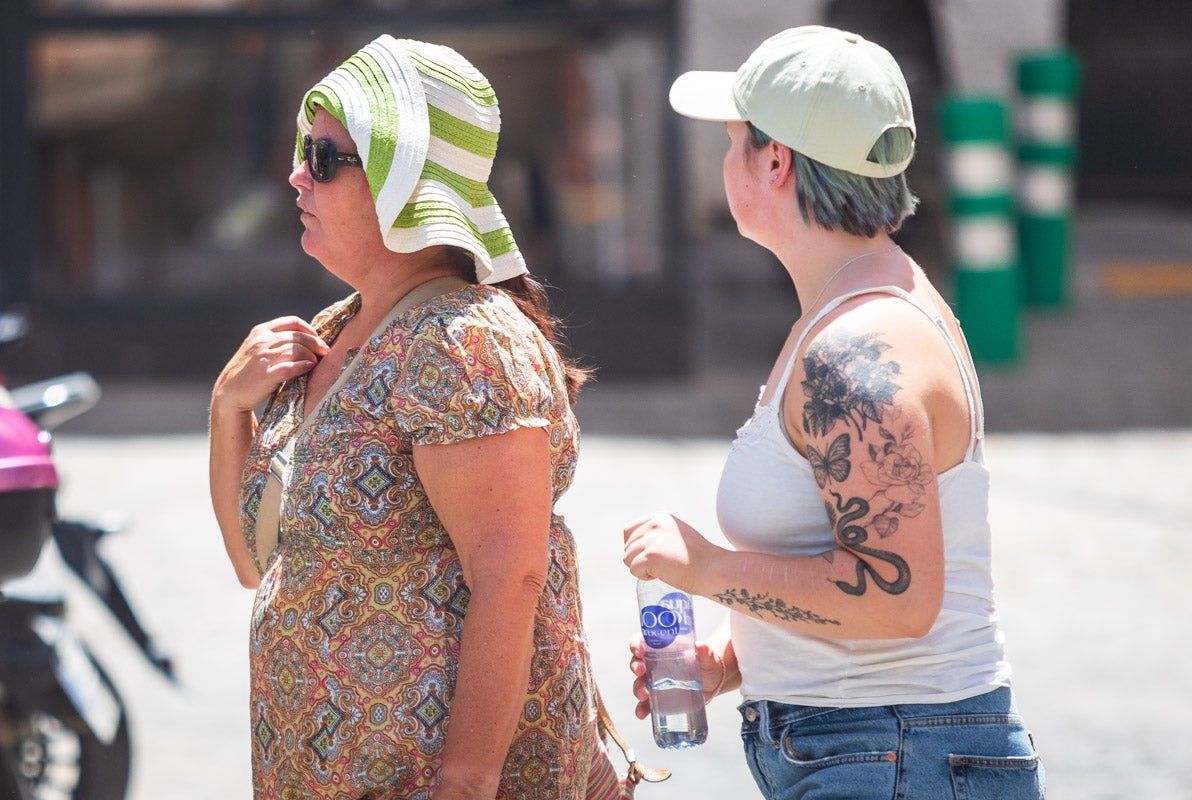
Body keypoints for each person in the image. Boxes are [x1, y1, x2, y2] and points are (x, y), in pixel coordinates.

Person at [622, 26, 1045, 799]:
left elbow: (898, 594)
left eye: (734, 141)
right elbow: (839, 550)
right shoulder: (859, 310)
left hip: (893, 750)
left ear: (775, 160)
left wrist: (709, 569)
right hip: (883, 747)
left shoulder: (856, 349)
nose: (726, 162)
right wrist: (733, 656)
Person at [208, 35, 620, 800]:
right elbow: (256, 567)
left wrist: (464, 785)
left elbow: (511, 578)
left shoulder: (464, 341)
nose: (296, 174)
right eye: (302, 149)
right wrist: (228, 407)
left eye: (326, 158)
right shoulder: (331, 330)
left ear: (408, 180)